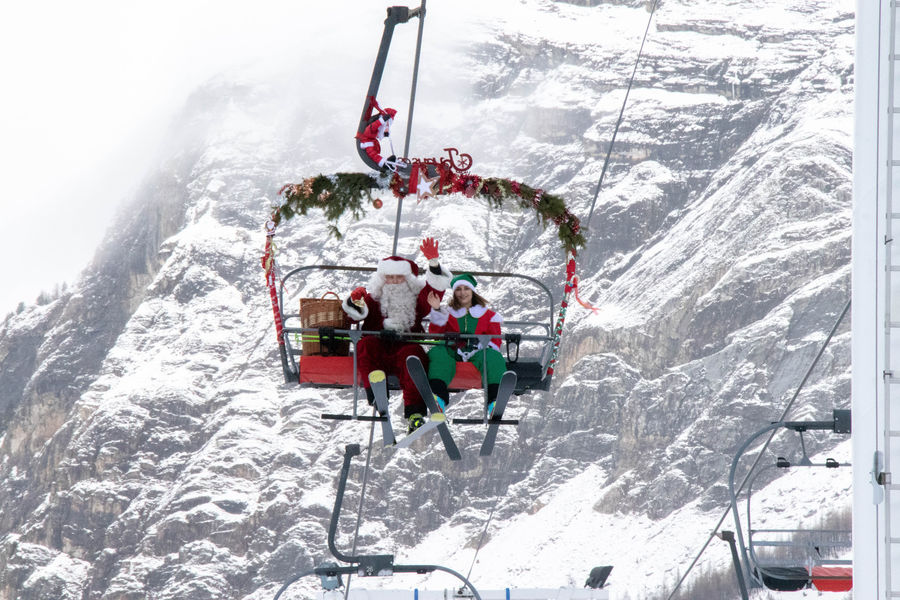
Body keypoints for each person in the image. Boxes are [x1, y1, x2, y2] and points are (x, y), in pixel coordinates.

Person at [341, 237, 452, 432]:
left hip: (405, 347)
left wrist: (433, 263)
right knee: (365, 345)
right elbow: (352, 318)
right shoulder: (373, 299)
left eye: (398, 277)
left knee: (413, 356)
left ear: (407, 279)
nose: (393, 281)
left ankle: (415, 412)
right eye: (389, 277)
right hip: (379, 350)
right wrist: (354, 301)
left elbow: (434, 290)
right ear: (382, 279)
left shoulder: (416, 300)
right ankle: (376, 393)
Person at [425, 273, 507, 414]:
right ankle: (439, 398)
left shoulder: (488, 316)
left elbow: (495, 340)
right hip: (452, 351)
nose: (462, 293)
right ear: (454, 293)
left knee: (493, 357)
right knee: (437, 353)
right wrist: (437, 310)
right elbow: (435, 333)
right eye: (458, 289)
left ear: (472, 291)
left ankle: (494, 402)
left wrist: (482, 345)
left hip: (478, 351)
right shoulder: (448, 313)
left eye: (466, 289)